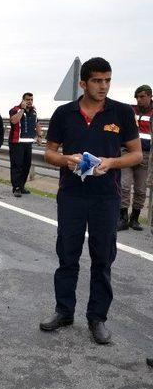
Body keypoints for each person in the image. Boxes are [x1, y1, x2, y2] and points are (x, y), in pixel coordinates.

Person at [39, 57, 142, 344]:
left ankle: (97, 318)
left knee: (103, 258)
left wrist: (112, 162)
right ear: (83, 83)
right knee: (67, 255)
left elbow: (136, 155)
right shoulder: (64, 113)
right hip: (71, 195)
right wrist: (66, 160)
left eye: (108, 80)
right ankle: (64, 311)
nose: (104, 86)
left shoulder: (121, 112)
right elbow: (49, 152)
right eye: (97, 81)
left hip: (106, 198)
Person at [117, 85, 152, 231]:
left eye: (142, 96)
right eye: (137, 97)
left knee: (141, 189)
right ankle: (122, 218)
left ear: (150, 96)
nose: (139, 100)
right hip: (127, 152)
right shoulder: (130, 110)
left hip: (145, 155)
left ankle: (135, 218)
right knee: (124, 185)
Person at [9, 93, 43, 197]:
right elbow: (14, 121)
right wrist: (22, 110)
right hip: (17, 142)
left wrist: (39, 136)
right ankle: (16, 188)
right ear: (23, 100)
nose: (30, 101)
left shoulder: (34, 111)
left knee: (26, 166)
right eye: (27, 99)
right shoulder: (15, 109)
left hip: (28, 142)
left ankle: (22, 186)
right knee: (17, 165)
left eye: (31, 99)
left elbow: (37, 124)